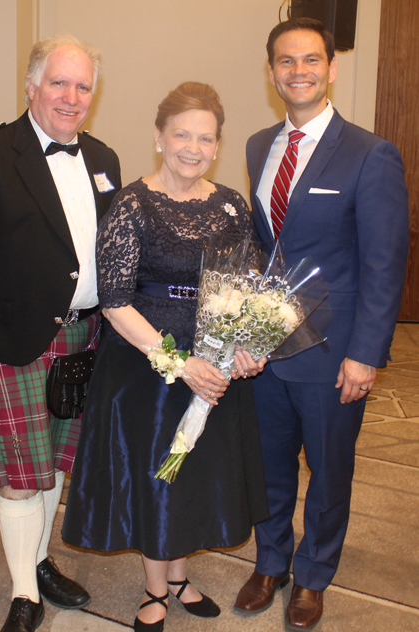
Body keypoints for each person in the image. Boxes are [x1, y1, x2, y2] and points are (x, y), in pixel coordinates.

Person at [62, 81, 269, 631]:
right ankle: (156, 588)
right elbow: (115, 301)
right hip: (145, 366)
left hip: (215, 359)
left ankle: (179, 576)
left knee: (194, 473)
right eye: (182, 135)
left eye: (206, 138)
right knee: (157, 474)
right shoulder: (132, 202)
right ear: (159, 137)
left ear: (217, 144)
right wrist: (179, 364)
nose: (193, 148)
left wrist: (247, 342)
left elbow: (248, 282)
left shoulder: (230, 203)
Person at [0, 35, 121, 632]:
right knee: (19, 473)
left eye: (83, 86)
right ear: (32, 85)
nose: (71, 97)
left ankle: (38, 560)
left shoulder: (103, 159)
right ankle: (25, 593)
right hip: (15, 344)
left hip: (82, 342)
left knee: (51, 465)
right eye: (59, 83)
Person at [233, 18, 409, 631]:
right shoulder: (259, 145)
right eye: (286, 61)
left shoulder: (370, 153)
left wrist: (366, 354)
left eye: (311, 60)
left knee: (330, 472)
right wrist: (238, 333)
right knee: (270, 465)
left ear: (331, 68)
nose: (298, 71)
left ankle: (313, 574)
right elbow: (260, 251)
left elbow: (385, 264)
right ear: (272, 70)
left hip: (335, 354)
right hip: (264, 352)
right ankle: (271, 561)